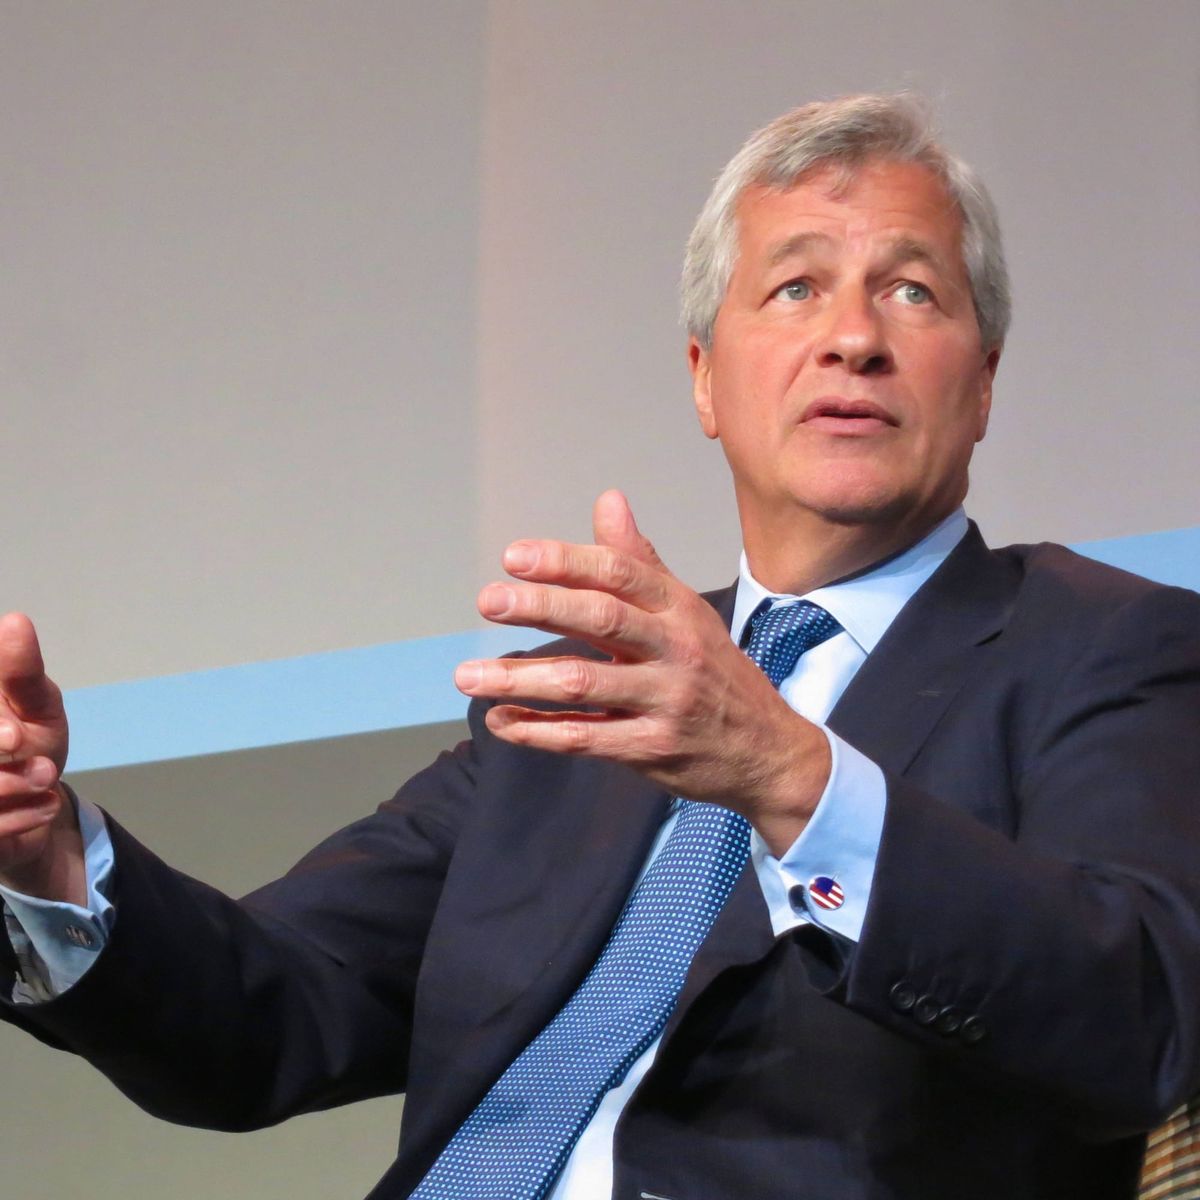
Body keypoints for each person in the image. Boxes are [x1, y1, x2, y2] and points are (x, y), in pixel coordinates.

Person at [1, 93, 1199, 1200]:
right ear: (704, 381)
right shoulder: (582, 701)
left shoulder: (1107, 646)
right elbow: (269, 1017)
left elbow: (1141, 1022)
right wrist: (48, 858)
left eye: (913, 293)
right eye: (795, 288)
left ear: (983, 383)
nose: (852, 338)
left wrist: (792, 776)